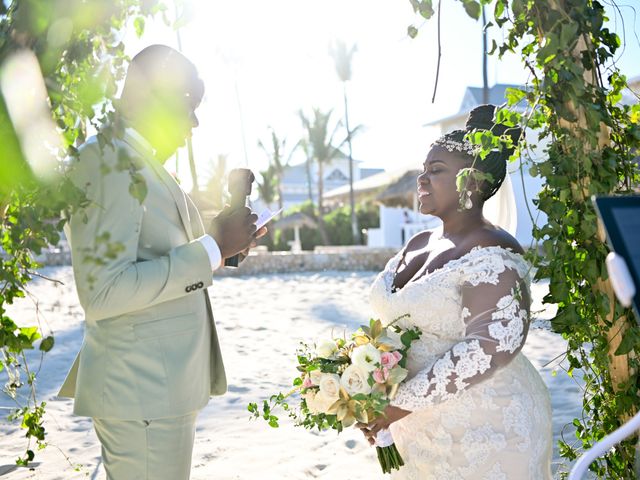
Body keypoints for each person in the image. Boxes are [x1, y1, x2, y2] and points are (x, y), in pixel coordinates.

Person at [57, 45, 264, 479]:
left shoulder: (140, 163)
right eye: (186, 105)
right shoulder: (107, 159)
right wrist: (211, 249)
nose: (194, 122)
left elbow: (156, 252)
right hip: (142, 391)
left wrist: (223, 245)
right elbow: (103, 290)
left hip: (157, 390)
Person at [360, 104, 552, 478]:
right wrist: (367, 376)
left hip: (488, 432)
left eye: (436, 171)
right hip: (414, 431)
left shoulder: (493, 250)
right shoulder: (418, 241)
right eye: (423, 170)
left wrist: (400, 403)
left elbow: (491, 345)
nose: (421, 180)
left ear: (472, 182)